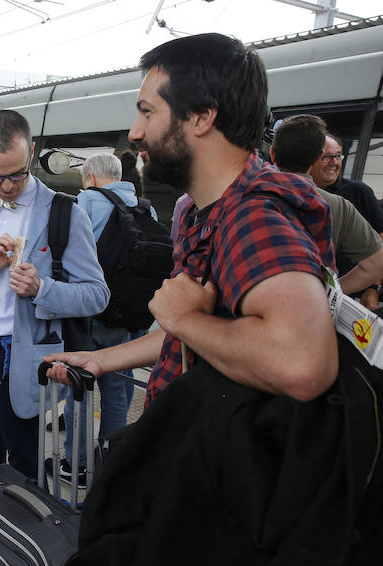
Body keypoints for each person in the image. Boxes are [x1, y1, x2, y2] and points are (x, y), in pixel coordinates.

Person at [46, 33, 338, 410]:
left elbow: (303, 366)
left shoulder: (253, 218)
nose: (135, 132)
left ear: (202, 116)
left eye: (147, 112)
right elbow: (213, 334)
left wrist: (184, 320)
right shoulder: (206, 211)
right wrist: (102, 359)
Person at [0, 109, 108, 479]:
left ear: (31, 151)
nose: (7, 186)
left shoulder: (65, 213)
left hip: (21, 361)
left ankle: (22, 534)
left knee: (25, 468)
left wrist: (41, 288)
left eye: (16, 174)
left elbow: (97, 295)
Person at [52, 152, 160, 482]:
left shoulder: (86, 202)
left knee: (80, 391)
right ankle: (112, 462)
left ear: (92, 178)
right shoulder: (146, 208)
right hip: (131, 319)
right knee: (118, 394)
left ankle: (77, 466)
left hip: (91, 317)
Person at [271, 114, 383, 296]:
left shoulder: (242, 197)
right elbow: (377, 264)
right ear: (317, 157)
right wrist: (328, 294)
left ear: (273, 154)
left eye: (338, 156)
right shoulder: (337, 206)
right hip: (311, 314)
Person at [308, 133, 383, 309]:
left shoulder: (359, 192)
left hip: (352, 299)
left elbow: (380, 243)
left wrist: (373, 288)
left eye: (338, 156)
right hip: (307, 297)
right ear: (309, 159)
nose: (334, 162)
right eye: (327, 157)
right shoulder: (296, 194)